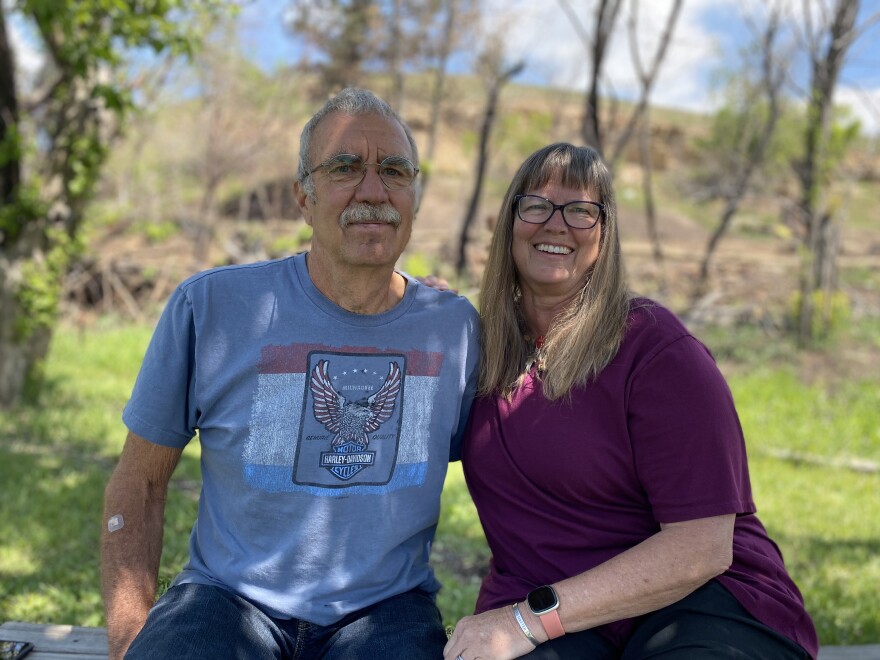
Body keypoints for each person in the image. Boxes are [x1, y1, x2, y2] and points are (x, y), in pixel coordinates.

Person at [100, 87, 480, 660]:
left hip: (386, 612)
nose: (373, 191)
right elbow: (141, 481)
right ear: (303, 196)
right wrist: (131, 641)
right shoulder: (212, 308)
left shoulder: (453, 330)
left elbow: (507, 481)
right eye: (345, 167)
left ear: (415, 198)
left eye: (395, 171)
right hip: (226, 601)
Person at [444, 143, 818, 660]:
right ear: (509, 221)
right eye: (536, 206)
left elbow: (701, 550)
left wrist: (529, 620)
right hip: (550, 609)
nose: (556, 224)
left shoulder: (656, 349)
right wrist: (408, 310)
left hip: (697, 603)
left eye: (580, 211)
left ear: (606, 233)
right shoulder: (473, 348)